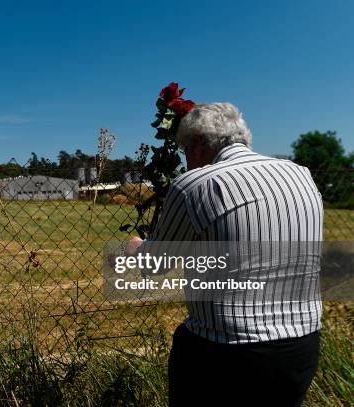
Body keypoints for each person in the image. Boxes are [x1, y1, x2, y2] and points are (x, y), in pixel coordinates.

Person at [127, 103, 323, 407]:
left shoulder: (196, 185)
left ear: (197, 146)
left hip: (227, 352)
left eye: (185, 153)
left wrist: (136, 247)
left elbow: (155, 267)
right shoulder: (301, 175)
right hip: (302, 344)